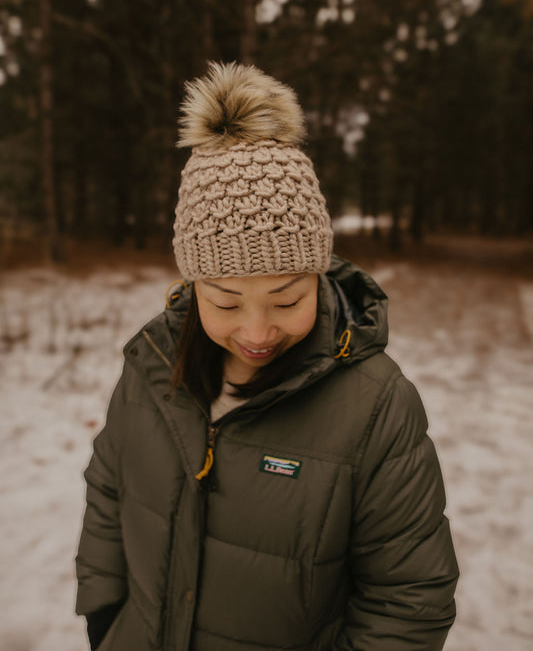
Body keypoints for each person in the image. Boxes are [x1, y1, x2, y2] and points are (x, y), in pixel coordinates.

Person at [75, 61, 459, 651]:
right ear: (193, 288)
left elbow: (409, 600)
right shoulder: (151, 367)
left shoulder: (377, 408)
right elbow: (108, 489)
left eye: (286, 299)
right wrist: (105, 617)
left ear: (318, 278)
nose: (257, 331)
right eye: (226, 302)